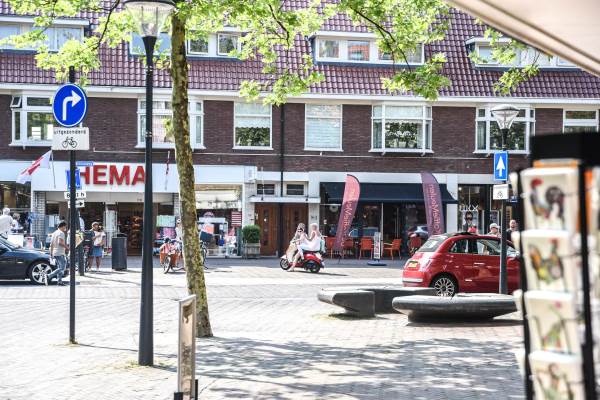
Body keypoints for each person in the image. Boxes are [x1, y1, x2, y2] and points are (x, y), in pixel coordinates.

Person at [45, 221, 69, 286]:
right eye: (65, 226)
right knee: (62, 268)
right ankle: (48, 276)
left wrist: (51, 253)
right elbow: (60, 242)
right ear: (63, 226)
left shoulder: (54, 233)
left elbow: (51, 244)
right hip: (60, 252)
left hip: (55, 252)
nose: (65, 228)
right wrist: (67, 247)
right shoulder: (61, 233)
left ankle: (59, 281)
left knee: (59, 267)